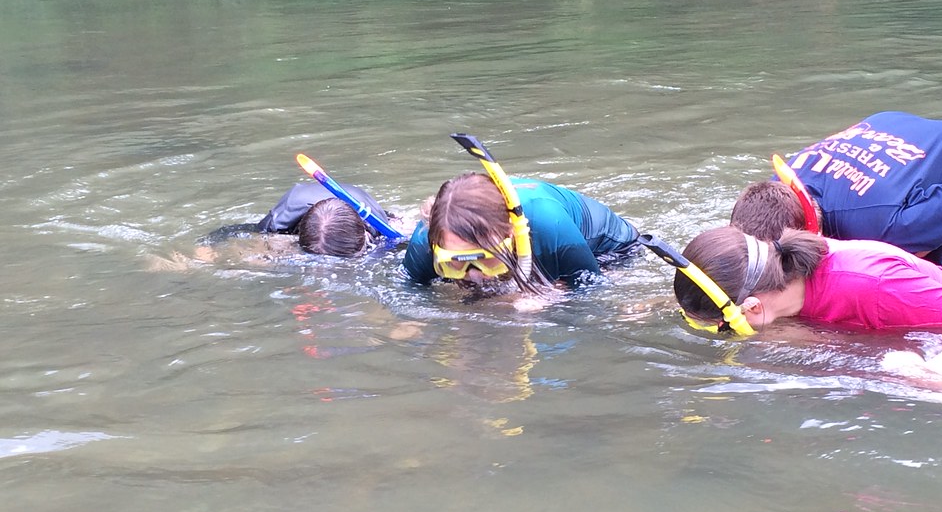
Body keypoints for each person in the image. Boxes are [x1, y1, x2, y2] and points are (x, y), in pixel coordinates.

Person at [667, 225, 942, 377]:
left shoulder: (872, 283)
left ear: (752, 308)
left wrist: (932, 371)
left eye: (723, 327)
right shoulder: (782, 277)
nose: (723, 332)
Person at [730, 111, 942, 276]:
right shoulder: (778, 186)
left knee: (933, 280)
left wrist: (921, 243)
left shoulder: (885, 227)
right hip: (888, 125)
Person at [402, 171, 639, 292]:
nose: (474, 275)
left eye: (486, 260)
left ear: (511, 233)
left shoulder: (548, 224)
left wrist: (550, 298)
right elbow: (408, 287)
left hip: (610, 249)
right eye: (455, 263)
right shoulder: (427, 237)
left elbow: (591, 287)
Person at [200, 181, 403, 257]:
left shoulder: (378, 228)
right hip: (303, 207)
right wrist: (203, 250)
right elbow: (229, 231)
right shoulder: (278, 224)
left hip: (357, 205)